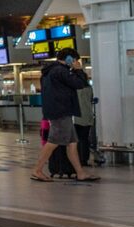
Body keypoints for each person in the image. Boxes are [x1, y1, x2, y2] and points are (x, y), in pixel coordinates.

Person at [30, 48, 100, 182]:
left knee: (72, 143)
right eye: (75, 60)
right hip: (60, 111)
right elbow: (80, 84)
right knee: (53, 141)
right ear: (69, 59)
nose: (76, 62)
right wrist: (78, 70)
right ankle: (37, 170)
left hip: (58, 110)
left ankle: (80, 172)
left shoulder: (51, 71)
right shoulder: (60, 71)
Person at [73, 64, 94, 167]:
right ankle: (84, 160)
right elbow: (90, 100)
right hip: (87, 116)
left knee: (75, 139)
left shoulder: (74, 89)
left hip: (76, 117)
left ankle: (76, 159)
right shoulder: (89, 88)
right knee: (85, 139)